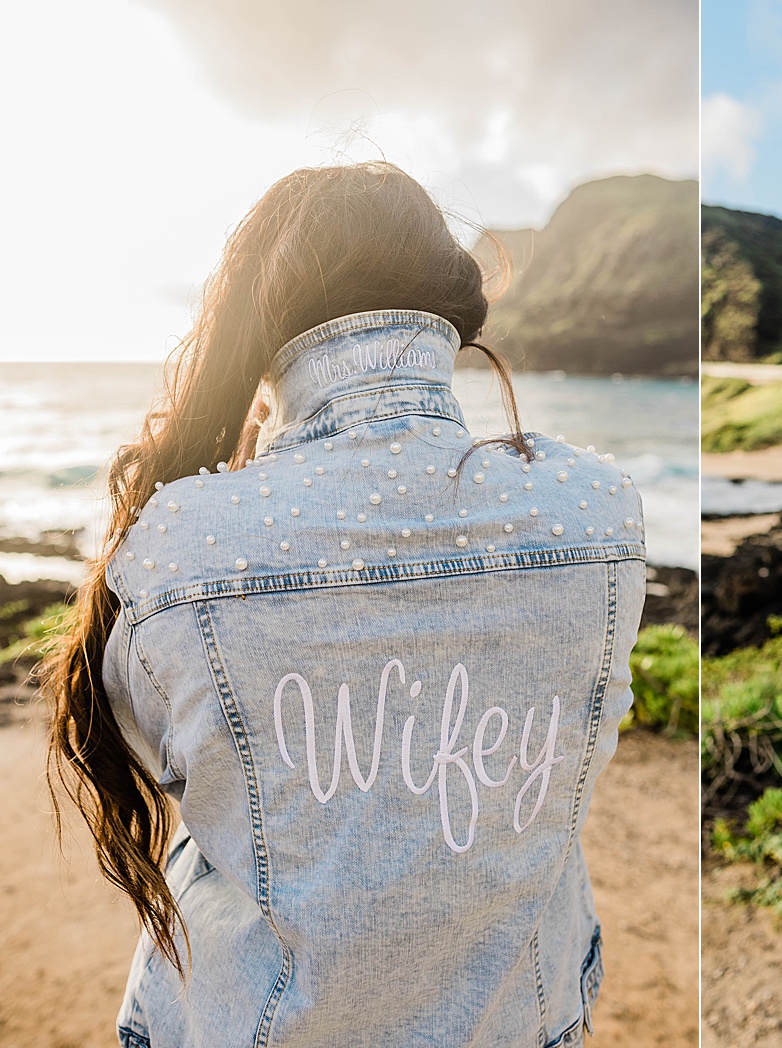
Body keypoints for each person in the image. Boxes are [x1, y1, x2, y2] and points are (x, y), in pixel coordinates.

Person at [44, 162, 646, 1047]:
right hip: (518, 1021)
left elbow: (172, 755)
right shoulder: (599, 513)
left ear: (259, 318)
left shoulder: (183, 546)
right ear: (454, 309)